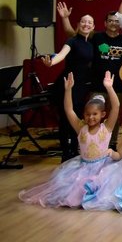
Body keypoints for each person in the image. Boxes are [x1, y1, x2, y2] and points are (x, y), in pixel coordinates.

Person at [20, 72, 119, 207]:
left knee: (101, 191)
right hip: (83, 167)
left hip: (102, 167)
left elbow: (116, 107)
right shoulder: (81, 127)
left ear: (103, 114)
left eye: (95, 114)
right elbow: (69, 110)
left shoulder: (106, 127)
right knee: (68, 189)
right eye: (87, 114)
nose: (91, 117)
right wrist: (68, 90)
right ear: (83, 115)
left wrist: (109, 88)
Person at [57, 3, 122, 133]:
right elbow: (73, 35)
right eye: (110, 21)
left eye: (116, 21)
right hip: (96, 86)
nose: (113, 23)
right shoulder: (96, 37)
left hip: (117, 87)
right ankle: (92, 143)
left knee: (114, 117)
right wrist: (65, 19)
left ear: (120, 24)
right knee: (93, 116)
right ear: (105, 23)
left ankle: (111, 144)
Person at [42, 13, 95, 161]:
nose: (86, 24)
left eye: (89, 22)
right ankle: (66, 153)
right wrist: (51, 62)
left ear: (93, 26)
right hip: (68, 85)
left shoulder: (90, 44)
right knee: (65, 119)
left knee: (77, 118)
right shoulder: (72, 41)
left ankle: (74, 150)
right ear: (78, 24)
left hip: (82, 86)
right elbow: (61, 54)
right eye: (83, 22)